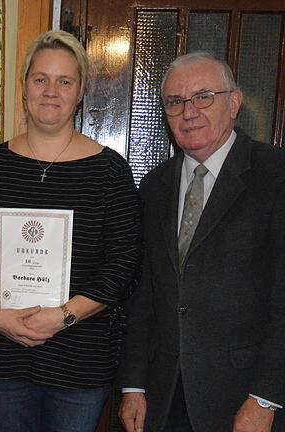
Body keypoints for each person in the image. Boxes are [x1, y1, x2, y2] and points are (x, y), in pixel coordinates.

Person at [0, 30, 141, 432]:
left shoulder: (109, 171)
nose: (50, 91)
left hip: (79, 359)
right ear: (24, 88)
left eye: (64, 81)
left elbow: (123, 264)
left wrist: (63, 316)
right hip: (1, 355)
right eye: (40, 79)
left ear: (80, 92)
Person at [117, 52, 285, 432]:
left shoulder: (275, 176)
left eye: (203, 96)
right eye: (175, 102)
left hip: (245, 398)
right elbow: (143, 294)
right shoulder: (155, 186)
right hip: (162, 398)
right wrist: (133, 384)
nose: (188, 111)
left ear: (234, 102)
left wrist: (265, 398)